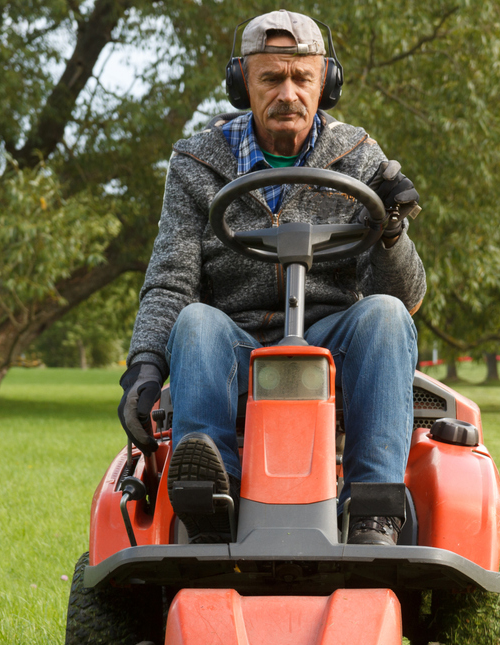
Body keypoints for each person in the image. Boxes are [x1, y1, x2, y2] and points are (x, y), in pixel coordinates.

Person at [119, 10, 424, 547]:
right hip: (235, 348)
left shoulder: (359, 157)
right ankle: (211, 504)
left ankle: (374, 510)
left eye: (302, 78)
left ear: (324, 83)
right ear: (243, 83)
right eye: (271, 78)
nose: (288, 93)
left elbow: (406, 296)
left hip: (333, 347)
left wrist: (392, 233)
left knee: (385, 314)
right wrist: (144, 368)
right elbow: (171, 278)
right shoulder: (196, 163)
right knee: (194, 321)